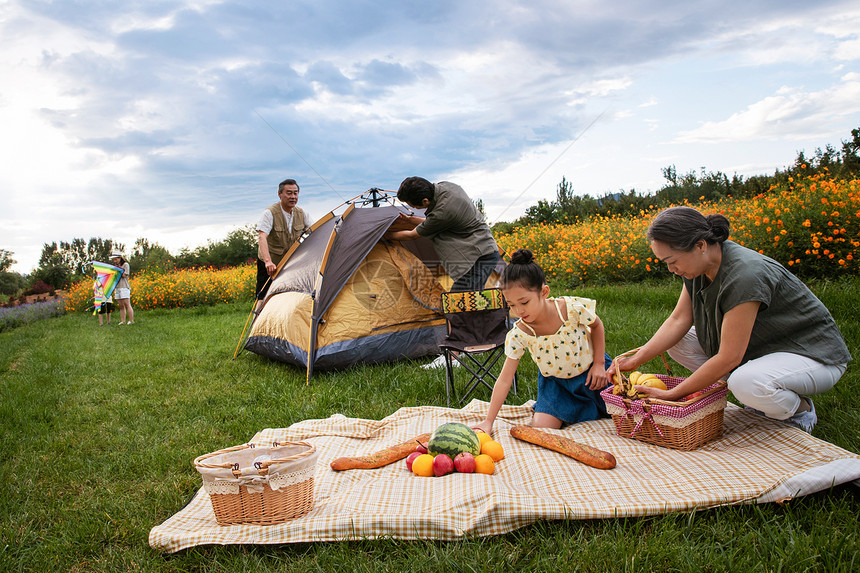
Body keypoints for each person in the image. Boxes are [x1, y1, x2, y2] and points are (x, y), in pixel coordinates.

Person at [608, 206, 851, 433]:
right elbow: (678, 320)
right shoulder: (697, 266)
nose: (672, 270)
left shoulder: (745, 275)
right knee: (679, 342)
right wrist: (635, 359)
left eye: (672, 261)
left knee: (746, 382)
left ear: (700, 245)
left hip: (812, 355)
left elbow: (729, 357)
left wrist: (673, 395)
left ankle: (800, 411)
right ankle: (758, 394)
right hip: (762, 350)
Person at [473, 249, 612, 435]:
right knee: (541, 428)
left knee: (627, 408)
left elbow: (597, 325)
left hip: (591, 375)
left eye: (524, 302)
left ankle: (592, 405)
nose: (519, 311)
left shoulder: (569, 309)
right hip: (556, 387)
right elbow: (505, 379)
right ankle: (572, 409)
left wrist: (599, 364)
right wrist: (488, 422)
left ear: (544, 292)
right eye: (511, 305)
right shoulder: (520, 333)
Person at [388, 177, 501, 368]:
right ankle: (474, 344)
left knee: (455, 304)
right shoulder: (446, 187)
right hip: (483, 252)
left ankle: (454, 355)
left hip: (477, 257)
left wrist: (383, 235)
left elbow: (413, 234)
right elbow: (431, 221)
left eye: (413, 205)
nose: (414, 208)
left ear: (425, 201)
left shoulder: (442, 213)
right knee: (469, 303)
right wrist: (411, 219)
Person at [255, 178, 312, 311]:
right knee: (263, 297)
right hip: (270, 263)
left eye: (295, 193)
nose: (293, 197)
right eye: (289, 193)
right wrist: (268, 262)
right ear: (280, 194)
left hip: (290, 263)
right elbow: (262, 236)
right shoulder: (269, 213)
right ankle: (255, 328)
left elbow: (315, 232)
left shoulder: (302, 213)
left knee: (291, 295)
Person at [111, 252, 134, 325]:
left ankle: (131, 320)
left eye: (116, 259)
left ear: (120, 258)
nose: (115, 261)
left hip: (124, 287)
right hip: (117, 287)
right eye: (114, 260)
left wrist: (118, 270)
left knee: (127, 304)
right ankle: (123, 321)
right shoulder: (115, 267)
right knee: (121, 305)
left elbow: (124, 275)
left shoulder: (125, 265)